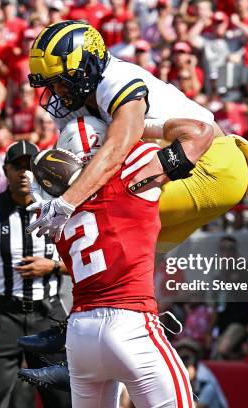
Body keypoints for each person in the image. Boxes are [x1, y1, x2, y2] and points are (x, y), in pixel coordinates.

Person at [26, 20, 248, 255]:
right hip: (177, 169)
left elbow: (117, 148)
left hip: (211, 166)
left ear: (89, 65)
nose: (58, 91)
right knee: (118, 253)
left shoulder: (115, 80)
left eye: (62, 81)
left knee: (96, 217)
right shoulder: (78, 98)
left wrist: (67, 202)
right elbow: (69, 159)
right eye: (51, 84)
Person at [24, 114, 209, 406]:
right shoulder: (131, 173)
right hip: (130, 323)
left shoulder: (53, 212)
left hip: (80, 334)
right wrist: (132, 125)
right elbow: (199, 131)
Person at [0, 140, 71, 408]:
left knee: (65, 400)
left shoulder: (61, 208)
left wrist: (53, 266)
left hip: (48, 315)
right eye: (17, 166)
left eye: (30, 166)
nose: (24, 173)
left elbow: (85, 258)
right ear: (5, 170)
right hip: (3, 316)